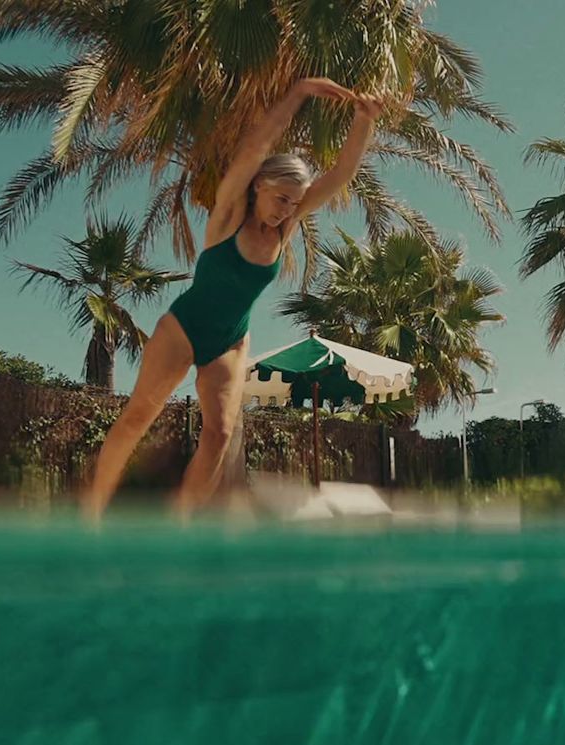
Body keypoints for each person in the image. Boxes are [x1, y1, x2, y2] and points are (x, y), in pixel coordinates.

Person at [81, 77, 385, 520]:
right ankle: (91, 513)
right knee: (137, 418)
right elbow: (254, 148)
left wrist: (363, 120)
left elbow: (341, 175)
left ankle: (179, 524)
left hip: (230, 341)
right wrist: (297, 92)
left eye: (293, 203)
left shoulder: (285, 227)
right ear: (259, 185)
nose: (286, 209)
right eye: (280, 198)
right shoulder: (227, 215)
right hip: (184, 329)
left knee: (220, 434)